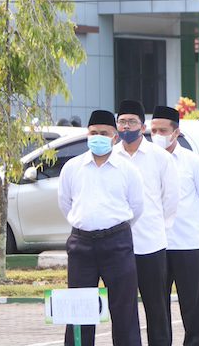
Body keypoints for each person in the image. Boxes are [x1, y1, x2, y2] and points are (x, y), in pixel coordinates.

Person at [57, 109, 145, 346]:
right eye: (93, 132)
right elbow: (65, 203)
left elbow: (136, 207)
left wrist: (112, 229)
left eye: (104, 133)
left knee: (124, 310)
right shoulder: (73, 167)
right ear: (87, 134)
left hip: (117, 243)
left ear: (115, 136)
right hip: (81, 245)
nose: (98, 137)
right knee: (79, 310)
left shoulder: (127, 169)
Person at [150, 105, 199, 346]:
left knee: (194, 308)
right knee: (158, 308)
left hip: (187, 243)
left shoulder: (192, 162)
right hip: (155, 245)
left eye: (162, 130)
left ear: (176, 132)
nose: (157, 135)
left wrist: (191, 223)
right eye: (153, 130)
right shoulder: (146, 160)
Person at [114, 99, 178, 346]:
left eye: (132, 122)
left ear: (142, 126)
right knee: (123, 308)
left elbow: (170, 199)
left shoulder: (160, 157)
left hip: (151, 243)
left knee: (156, 307)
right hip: (118, 247)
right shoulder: (111, 157)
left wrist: (157, 227)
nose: (126, 126)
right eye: (122, 121)